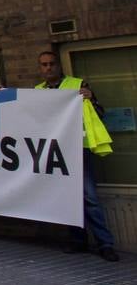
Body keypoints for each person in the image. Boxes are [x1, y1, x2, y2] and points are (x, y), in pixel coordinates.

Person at [35, 50, 119, 262]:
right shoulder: (37, 91)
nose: (48, 68)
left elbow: (99, 113)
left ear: (59, 65)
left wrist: (90, 99)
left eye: (52, 64)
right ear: (40, 68)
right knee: (67, 197)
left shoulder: (77, 84)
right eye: (44, 65)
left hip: (78, 148)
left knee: (89, 197)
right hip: (55, 151)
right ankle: (78, 240)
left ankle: (105, 243)